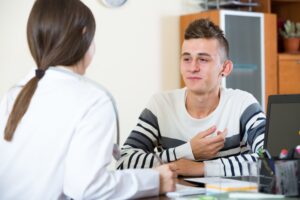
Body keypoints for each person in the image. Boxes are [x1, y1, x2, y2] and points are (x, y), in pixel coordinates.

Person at [0, 0, 177, 199]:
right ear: (85, 34)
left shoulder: (15, 93)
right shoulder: (93, 100)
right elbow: (89, 188)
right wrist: (154, 180)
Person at [116, 19, 266, 177]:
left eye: (203, 59)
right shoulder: (161, 105)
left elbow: (271, 160)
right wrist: (188, 151)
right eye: (186, 59)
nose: (193, 68)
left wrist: (202, 168)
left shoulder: (242, 104)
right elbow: (124, 161)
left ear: (225, 68)